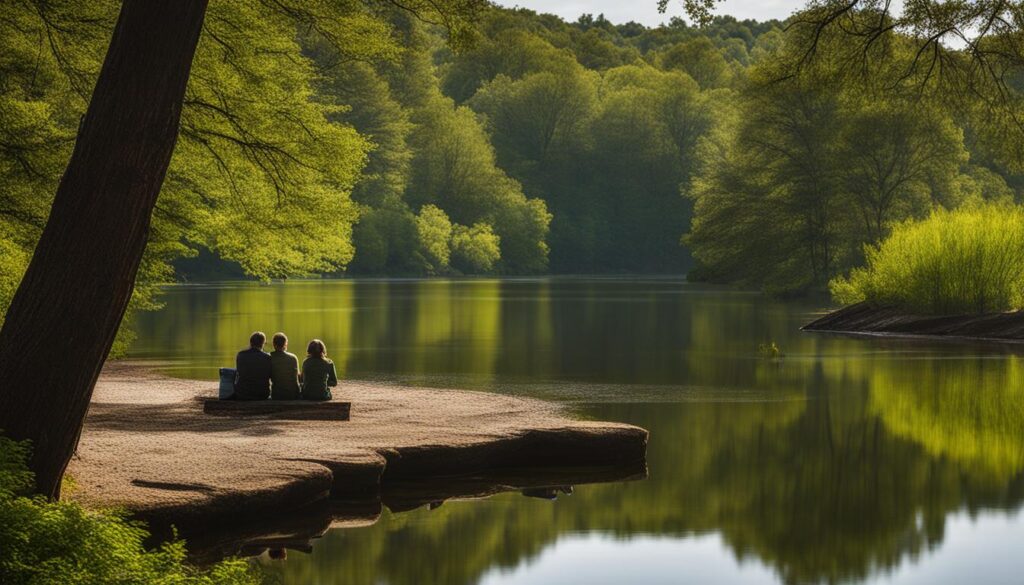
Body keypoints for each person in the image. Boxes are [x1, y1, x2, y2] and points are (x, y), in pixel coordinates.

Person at [234, 331, 272, 400]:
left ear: (250, 342)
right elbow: (270, 375)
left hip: (242, 393)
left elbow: (239, 372)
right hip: (262, 394)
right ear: (263, 344)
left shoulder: (241, 355)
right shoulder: (267, 357)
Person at [269, 332, 301, 400]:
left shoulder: (269, 357)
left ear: (273, 344)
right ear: (285, 344)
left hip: (277, 395)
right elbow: (297, 376)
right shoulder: (293, 357)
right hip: (293, 395)